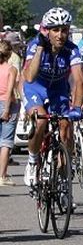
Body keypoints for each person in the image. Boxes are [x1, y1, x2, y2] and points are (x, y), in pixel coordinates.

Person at [22, 7, 83, 186]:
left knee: (66, 128)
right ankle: (33, 161)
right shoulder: (35, 45)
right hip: (36, 89)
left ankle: (64, 179)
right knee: (40, 121)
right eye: (55, 30)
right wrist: (41, 48)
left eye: (64, 30)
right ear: (46, 31)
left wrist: (78, 107)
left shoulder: (72, 50)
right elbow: (29, 77)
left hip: (58, 91)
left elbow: (79, 80)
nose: (60, 35)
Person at [0, 40, 19, 186]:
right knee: (6, 142)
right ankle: (2, 175)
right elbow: (9, 90)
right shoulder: (11, 69)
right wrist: (6, 110)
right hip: (8, 104)